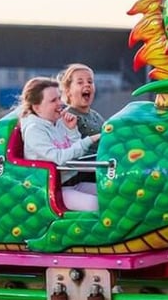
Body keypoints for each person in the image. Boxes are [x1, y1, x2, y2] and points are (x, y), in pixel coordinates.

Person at [19, 77, 99, 212]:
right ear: (37, 107)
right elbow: (60, 159)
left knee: (112, 193)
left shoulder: (58, 121)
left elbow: (76, 154)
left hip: (72, 183)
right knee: (96, 204)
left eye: (59, 98)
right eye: (53, 101)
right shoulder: (34, 130)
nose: (60, 103)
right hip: (51, 189)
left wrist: (71, 130)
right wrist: (89, 140)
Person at [59, 63, 105, 151]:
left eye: (90, 82)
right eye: (80, 82)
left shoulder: (96, 116)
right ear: (68, 91)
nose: (87, 85)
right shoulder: (67, 117)